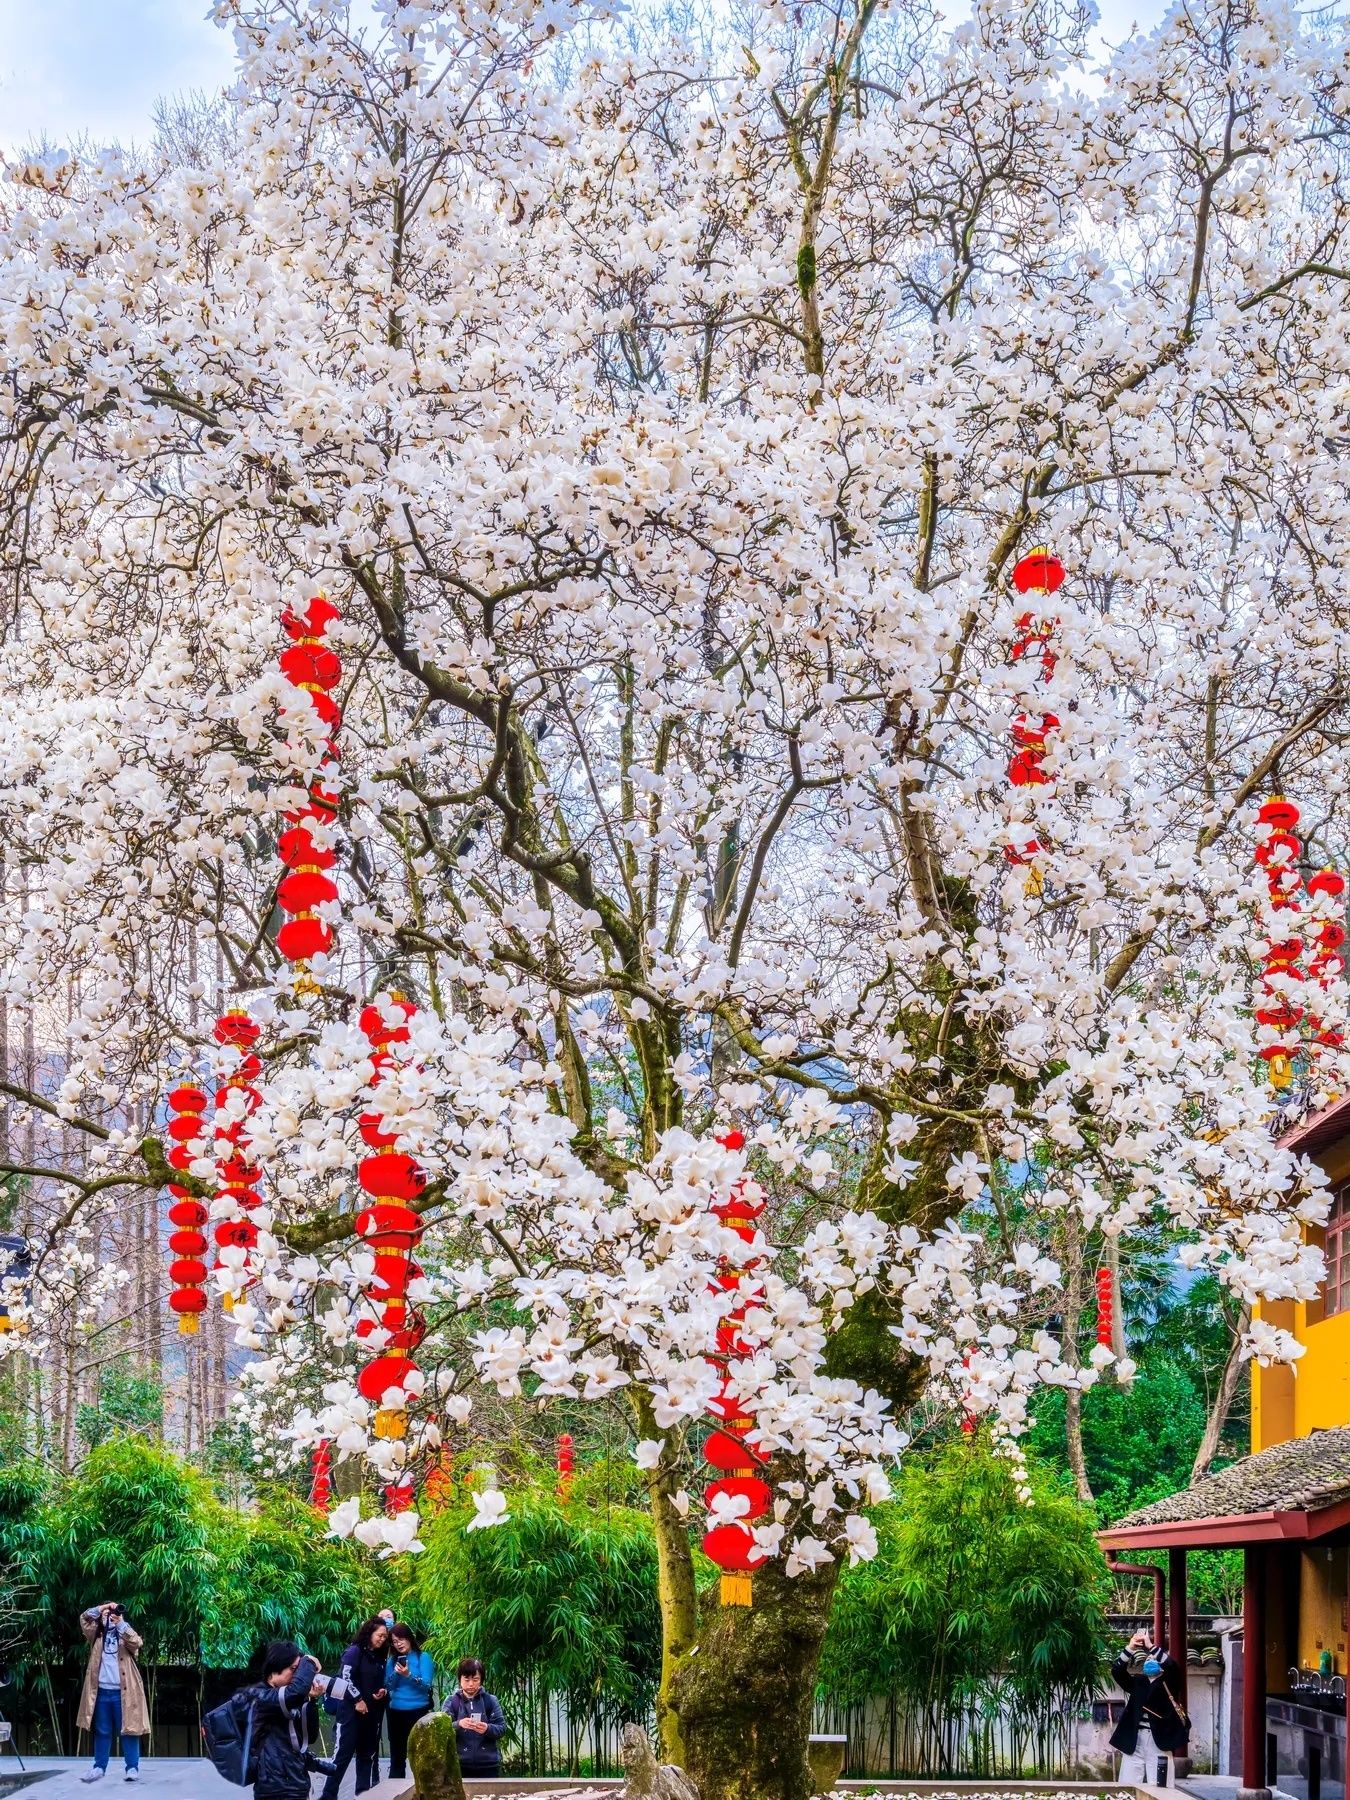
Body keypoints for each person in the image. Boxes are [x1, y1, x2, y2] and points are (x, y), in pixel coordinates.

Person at [246, 1642, 327, 1800]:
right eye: (294, 1669)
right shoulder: (260, 1697)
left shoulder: (290, 1698)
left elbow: (310, 1737)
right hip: (274, 1788)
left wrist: (311, 1700)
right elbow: (295, 1691)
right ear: (273, 1670)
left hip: (297, 1782)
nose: (297, 1675)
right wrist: (308, 1661)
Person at [77, 1603, 148, 1784]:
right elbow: (84, 1619)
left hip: (124, 1693)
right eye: (106, 1615)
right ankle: (99, 1767)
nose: (109, 1616)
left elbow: (137, 1642)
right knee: (102, 1731)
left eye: (112, 1614)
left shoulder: (124, 1634)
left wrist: (121, 1623)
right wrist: (103, 1607)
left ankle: (132, 1768)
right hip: (101, 1691)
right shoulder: (96, 1635)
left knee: (129, 1730)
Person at [320, 1618, 390, 1800]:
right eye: (380, 1635)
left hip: (371, 1714)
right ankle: (328, 1796)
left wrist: (380, 1691)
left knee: (366, 1756)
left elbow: (376, 1681)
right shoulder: (354, 1652)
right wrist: (357, 1699)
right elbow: (345, 1678)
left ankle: (363, 1795)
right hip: (350, 1714)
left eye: (385, 1636)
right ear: (369, 1633)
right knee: (341, 1756)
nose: (382, 1639)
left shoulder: (379, 1656)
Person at [1109, 1629, 1190, 1787]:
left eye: (1153, 1658)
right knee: (1128, 1785)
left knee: (1162, 1786)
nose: (1149, 1659)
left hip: (1159, 1740)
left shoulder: (1170, 1682)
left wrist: (1150, 1646)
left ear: (1161, 1666)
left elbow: (1172, 1666)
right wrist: (1130, 1648)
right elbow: (1117, 1671)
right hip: (1135, 1740)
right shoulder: (1138, 1682)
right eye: (1147, 1658)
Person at [384, 1625, 435, 1781]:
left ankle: (423, 1789)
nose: (398, 1644)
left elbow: (427, 1685)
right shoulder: (392, 1661)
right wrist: (397, 1673)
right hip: (396, 1712)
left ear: (409, 1638)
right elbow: (388, 1686)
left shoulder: (422, 1657)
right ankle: (396, 1790)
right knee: (397, 1756)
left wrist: (409, 1675)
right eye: (394, 1641)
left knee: (422, 1755)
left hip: (418, 1711)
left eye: (401, 1639)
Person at [442, 1659, 506, 1779]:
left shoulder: (491, 1700)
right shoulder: (451, 1701)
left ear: (481, 1680)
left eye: (475, 1679)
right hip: (458, 1765)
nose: (471, 1684)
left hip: (489, 1765)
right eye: (466, 1680)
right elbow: (442, 1731)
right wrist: (458, 1724)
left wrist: (487, 1728)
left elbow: (501, 1729)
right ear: (460, 1679)